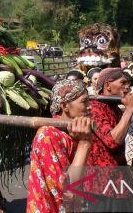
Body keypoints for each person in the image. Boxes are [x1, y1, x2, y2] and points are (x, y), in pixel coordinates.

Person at [26, 79, 93, 213]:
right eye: (84, 101)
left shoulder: (73, 132)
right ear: (65, 106)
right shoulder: (48, 135)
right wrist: (84, 144)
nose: (90, 106)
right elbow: (67, 190)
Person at [85, 68, 133, 210]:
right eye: (123, 82)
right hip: (102, 187)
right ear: (108, 85)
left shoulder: (114, 107)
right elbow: (113, 141)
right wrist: (129, 110)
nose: (127, 87)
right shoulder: (95, 108)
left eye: (128, 83)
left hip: (119, 182)